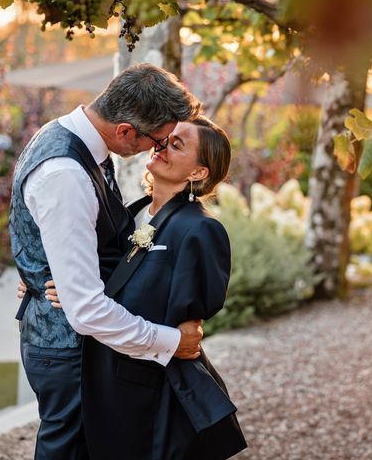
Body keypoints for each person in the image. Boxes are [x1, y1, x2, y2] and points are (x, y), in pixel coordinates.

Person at [9, 63, 204, 459]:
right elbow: (85, 311)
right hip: (68, 349)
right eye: (158, 141)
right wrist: (172, 343)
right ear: (126, 131)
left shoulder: (75, 139)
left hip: (77, 344)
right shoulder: (66, 173)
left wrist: (45, 269)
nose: (158, 150)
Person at [40, 116, 247, 459]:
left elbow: (191, 311)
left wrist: (88, 297)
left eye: (178, 144)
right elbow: (90, 263)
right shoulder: (126, 215)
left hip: (145, 390)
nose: (162, 146)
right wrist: (57, 285)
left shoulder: (201, 229)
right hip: (96, 377)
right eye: (166, 138)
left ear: (198, 172)